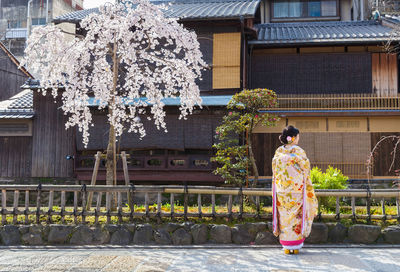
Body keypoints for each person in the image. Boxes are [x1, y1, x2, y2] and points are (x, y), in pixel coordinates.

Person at [271, 125, 318, 254]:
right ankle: (295, 246)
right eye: (297, 136)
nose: (298, 138)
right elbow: (306, 167)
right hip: (296, 190)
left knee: (284, 216)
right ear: (293, 138)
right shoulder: (298, 151)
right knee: (296, 217)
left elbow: (275, 169)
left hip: (282, 190)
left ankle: (286, 246)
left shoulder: (278, 152)